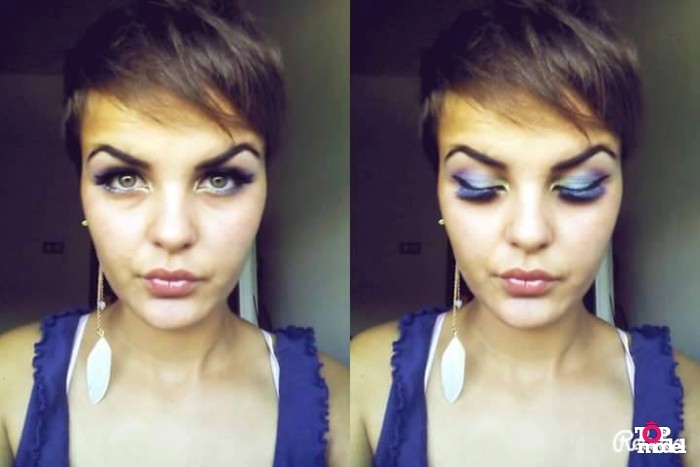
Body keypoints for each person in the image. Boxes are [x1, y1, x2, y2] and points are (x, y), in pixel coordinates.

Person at [350, 1, 699, 465]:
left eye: (579, 186)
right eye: (479, 186)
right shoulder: (364, 382)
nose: (530, 233)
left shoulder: (688, 407)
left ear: (619, 190)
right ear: (440, 192)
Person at [0, 1, 348, 465]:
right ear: (81, 189)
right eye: (124, 178)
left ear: (265, 189)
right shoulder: (7, 384)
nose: (172, 232)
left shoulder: (340, 403)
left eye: (220, 179)